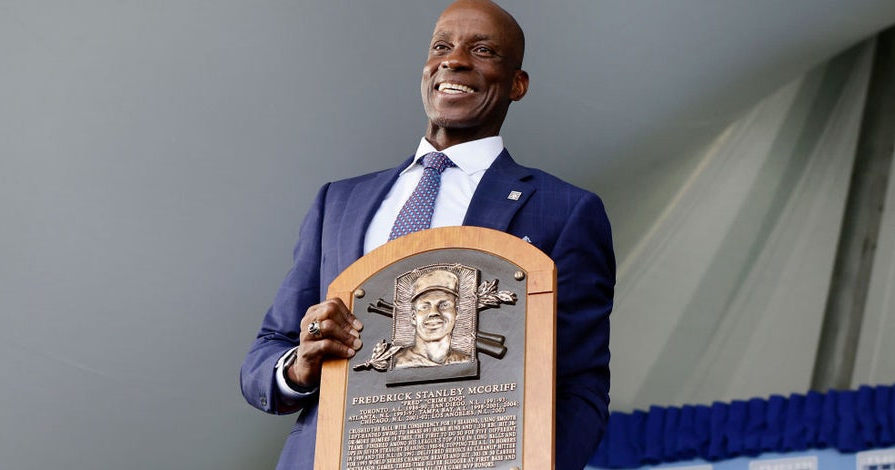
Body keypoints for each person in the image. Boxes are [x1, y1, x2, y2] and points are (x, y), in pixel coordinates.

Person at [239, 1, 615, 468]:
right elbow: (266, 352)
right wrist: (298, 366)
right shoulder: (338, 202)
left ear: (517, 84)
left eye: (482, 50)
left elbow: (580, 386)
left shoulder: (566, 210)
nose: (454, 60)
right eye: (442, 45)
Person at [393, 269, 471, 369]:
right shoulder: (397, 362)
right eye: (425, 307)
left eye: (444, 305)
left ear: (457, 312)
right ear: (413, 316)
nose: (434, 312)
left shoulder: (465, 361)